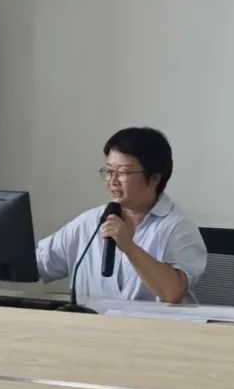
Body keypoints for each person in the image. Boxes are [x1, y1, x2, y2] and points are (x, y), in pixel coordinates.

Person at [36, 127, 206, 304]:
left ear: (154, 177)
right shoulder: (89, 222)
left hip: (150, 322)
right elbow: (39, 263)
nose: (113, 181)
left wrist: (128, 246)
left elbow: (173, 293)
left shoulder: (178, 227)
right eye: (109, 171)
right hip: (88, 321)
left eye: (123, 172)